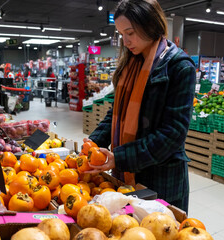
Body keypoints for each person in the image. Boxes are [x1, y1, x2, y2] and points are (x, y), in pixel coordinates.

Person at [82, 0, 196, 212]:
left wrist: (120, 158)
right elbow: (114, 114)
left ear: (150, 25)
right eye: (121, 34)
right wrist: (93, 143)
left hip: (162, 177)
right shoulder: (130, 65)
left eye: (130, 33)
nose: (125, 41)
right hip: (127, 172)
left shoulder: (179, 67)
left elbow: (173, 134)